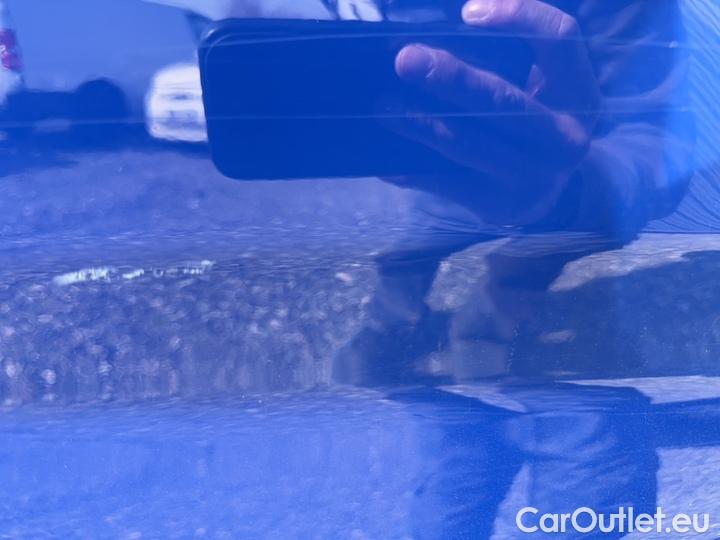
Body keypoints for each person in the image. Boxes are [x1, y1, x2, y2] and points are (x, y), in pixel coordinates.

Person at [332, 0, 695, 384]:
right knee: (408, 259)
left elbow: (656, 140)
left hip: (557, 199)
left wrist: (569, 193)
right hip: (436, 192)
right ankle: (398, 323)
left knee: (503, 275)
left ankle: (478, 325)